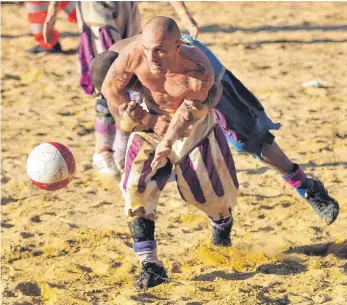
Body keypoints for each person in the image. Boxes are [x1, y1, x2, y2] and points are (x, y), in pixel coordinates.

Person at [92, 34, 340, 227]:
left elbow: (206, 97)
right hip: (166, 86)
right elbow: (125, 124)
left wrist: (179, 118)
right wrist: (145, 120)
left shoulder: (165, 59)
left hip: (200, 75)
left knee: (250, 138)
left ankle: (307, 187)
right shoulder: (113, 82)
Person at [101, 16, 239, 290]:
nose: (152, 57)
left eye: (161, 50)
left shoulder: (198, 69)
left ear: (177, 46)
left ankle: (221, 223)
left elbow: (189, 114)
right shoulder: (133, 55)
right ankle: (150, 264)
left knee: (212, 196)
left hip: (194, 126)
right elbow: (110, 89)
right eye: (148, 48)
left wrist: (168, 141)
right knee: (135, 188)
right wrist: (132, 116)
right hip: (151, 121)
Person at [25, 1, 201, 177]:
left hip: (125, 6)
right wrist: (52, 14)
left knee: (136, 70)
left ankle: (130, 149)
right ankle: (104, 149)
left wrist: (185, 16)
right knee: (107, 72)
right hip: (95, 9)